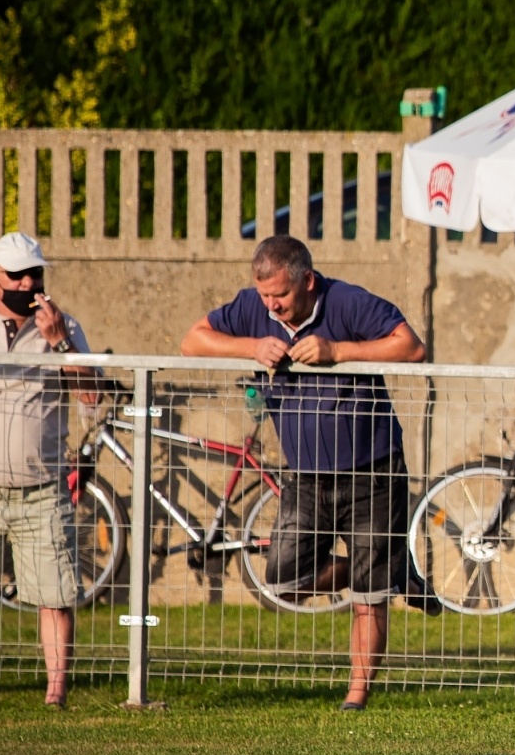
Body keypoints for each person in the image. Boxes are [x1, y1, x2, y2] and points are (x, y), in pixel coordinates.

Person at [181, 236, 432, 709]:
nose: (272, 305)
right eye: (265, 296)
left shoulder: (348, 302)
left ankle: (356, 695)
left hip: (372, 472)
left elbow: (411, 348)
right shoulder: (254, 311)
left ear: (307, 281)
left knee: (366, 597)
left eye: (281, 295)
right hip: (307, 476)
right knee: (281, 581)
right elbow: (193, 340)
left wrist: (338, 350)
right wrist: (252, 347)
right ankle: (390, 576)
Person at [0, 232, 100, 711]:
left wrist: (59, 344)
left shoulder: (64, 327)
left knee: (55, 596)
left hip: (43, 486)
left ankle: (55, 695)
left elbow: (91, 397)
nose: (30, 283)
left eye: (36, 273)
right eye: (18, 275)